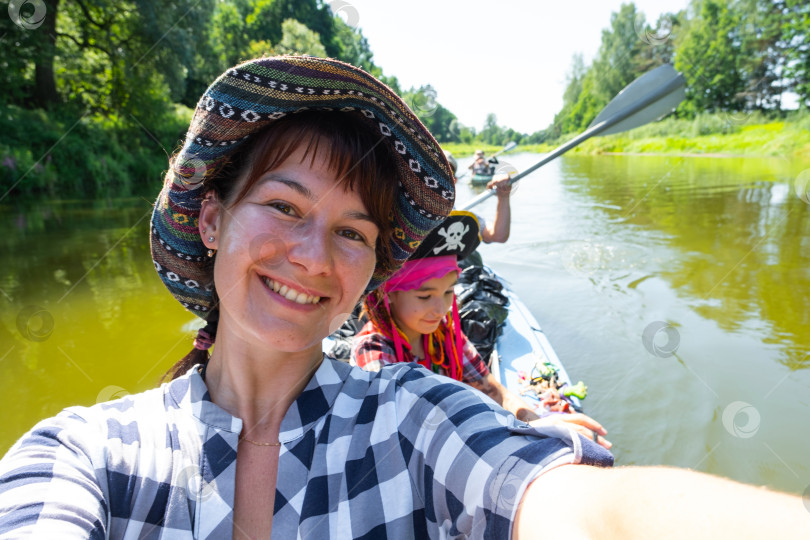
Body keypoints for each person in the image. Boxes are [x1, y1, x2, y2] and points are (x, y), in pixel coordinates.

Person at [0, 56, 804, 539]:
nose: (314, 257)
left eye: (354, 232)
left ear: (368, 266)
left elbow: (583, 510)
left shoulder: (414, 417)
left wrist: (532, 422)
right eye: (284, 207)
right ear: (211, 217)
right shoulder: (82, 457)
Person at [352, 211, 611, 447]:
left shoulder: (446, 335)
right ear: (388, 293)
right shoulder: (373, 350)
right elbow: (407, 431)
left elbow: (492, 389)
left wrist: (535, 422)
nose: (441, 309)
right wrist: (516, 429)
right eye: (424, 296)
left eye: (448, 292)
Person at [445, 149, 511, 243]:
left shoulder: (461, 216)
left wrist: (504, 196)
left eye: (446, 173)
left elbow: (498, 236)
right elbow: (469, 167)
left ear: (454, 181)